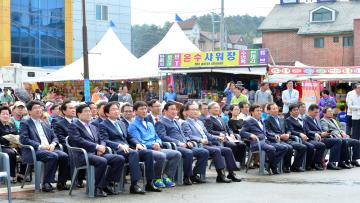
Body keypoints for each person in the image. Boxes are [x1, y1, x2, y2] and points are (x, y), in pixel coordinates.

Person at [99, 101, 161, 194]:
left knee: (148, 152)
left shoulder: (121, 123)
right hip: (116, 150)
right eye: (113, 110)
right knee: (133, 153)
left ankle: (149, 183)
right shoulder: (103, 124)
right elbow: (105, 140)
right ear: (107, 113)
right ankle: (134, 184)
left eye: (117, 109)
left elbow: (129, 137)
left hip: (128, 149)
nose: (116, 111)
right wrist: (119, 145)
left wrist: (137, 144)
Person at [68, 104, 125, 197]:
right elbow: (78, 140)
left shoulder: (93, 126)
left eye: (90, 111)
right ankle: (97, 188)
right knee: (102, 161)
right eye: (86, 111)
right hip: (83, 154)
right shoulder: (73, 126)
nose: (89, 113)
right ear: (78, 114)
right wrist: (96, 147)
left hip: (97, 153)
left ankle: (106, 184)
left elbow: (102, 139)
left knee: (119, 158)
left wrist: (101, 147)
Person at [181, 102, 241, 183]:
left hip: (208, 143)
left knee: (227, 150)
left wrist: (217, 137)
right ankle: (220, 175)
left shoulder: (200, 122)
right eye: (192, 109)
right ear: (186, 112)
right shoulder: (185, 123)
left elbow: (208, 135)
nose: (195, 111)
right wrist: (200, 140)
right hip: (199, 145)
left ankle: (231, 173)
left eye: (196, 109)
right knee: (216, 150)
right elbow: (189, 136)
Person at [128, 101, 181, 188]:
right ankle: (156, 179)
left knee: (176, 154)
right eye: (141, 109)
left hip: (156, 147)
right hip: (145, 149)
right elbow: (138, 141)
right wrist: (152, 145)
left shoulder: (149, 124)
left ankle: (165, 176)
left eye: (145, 109)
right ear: (135, 112)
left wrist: (157, 143)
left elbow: (157, 137)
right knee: (161, 156)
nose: (144, 111)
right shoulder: (133, 125)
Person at [19, 101, 70, 192]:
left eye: (40, 107)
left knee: (64, 156)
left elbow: (54, 137)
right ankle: (46, 183)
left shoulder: (45, 123)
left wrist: (53, 144)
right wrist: (41, 146)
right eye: (35, 108)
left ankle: (61, 182)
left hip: (49, 148)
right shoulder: (25, 123)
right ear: (29, 111)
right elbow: (24, 139)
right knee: (52, 156)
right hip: (34, 150)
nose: (39, 109)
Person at [155, 102, 209, 185]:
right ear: (165, 111)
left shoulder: (175, 121)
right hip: (174, 146)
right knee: (189, 153)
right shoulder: (161, 122)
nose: (174, 111)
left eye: (175, 109)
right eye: (172, 109)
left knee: (204, 152)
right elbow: (163, 137)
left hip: (184, 144)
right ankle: (187, 177)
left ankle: (194, 175)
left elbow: (183, 134)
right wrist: (179, 143)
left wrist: (188, 141)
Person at [240, 104, 287, 174]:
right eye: (257, 111)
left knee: (284, 147)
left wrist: (275, 135)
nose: (259, 112)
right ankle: (272, 166)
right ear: (252, 112)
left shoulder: (262, 121)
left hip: (266, 141)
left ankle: (269, 164)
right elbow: (242, 132)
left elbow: (267, 133)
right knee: (271, 148)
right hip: (257, 143)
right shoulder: (248, 121)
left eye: (260, 111)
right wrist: (250, 135)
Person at [264, 103, 306, 172]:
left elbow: (288, 129)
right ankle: (285, 166)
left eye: (276, 108)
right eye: (273, 109)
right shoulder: (267, 120)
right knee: (289, 148)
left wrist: (288, 134)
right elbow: (268, 132)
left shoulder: (281, 119)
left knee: (302, 147)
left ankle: (295, 166)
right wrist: (280, 136)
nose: (276, 110)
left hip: (286, 139)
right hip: (277, 140)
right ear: (268, 111)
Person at [205, 102, 247, 167]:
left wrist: (231, 134)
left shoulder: (220, 118)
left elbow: (228, 128)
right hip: (219, 139)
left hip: (228, 137)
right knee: (233, 145)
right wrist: (219, 133)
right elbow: (209, 131)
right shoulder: (209, 119)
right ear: (210, 110)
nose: (217, 109)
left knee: (242, 145)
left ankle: (238, 162)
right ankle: (231, 165)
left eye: (218, 107)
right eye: (215, 108)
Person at [285, 104, 326, 171]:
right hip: (297, 138)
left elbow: (307, 130)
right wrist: (300, 134)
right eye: (294, 110)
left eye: (297, 110)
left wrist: (315, 134)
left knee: (321, 145)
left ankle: (314, 163)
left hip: (306, 138)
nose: (296, 111)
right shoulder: (288, 120)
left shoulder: (301, 119)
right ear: (290, 112)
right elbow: (291, 131)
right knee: (310, 146)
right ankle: (298, 165)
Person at [304, 104, 343, 170]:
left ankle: (335, 162)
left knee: (340, 141)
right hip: (313, 138)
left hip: (322, 137)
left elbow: (321, 130)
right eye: (315, 112)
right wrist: (318, 133)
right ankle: (328, 163)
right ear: (309, 111)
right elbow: (307, 131)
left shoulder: (316, 119)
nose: (316, 114)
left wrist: (325, 133)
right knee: (337, 141)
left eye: (317, 112)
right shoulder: (306, 119)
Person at [0, 106, 21, 182]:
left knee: (26, 149)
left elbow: (17, 134)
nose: (5, 116)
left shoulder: (11, 124)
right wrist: (9, 141)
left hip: (15, 145)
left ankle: (22, 174)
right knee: (11, 153)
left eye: (7, 114)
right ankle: (11, 175)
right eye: (3, 114)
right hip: (3, 147)